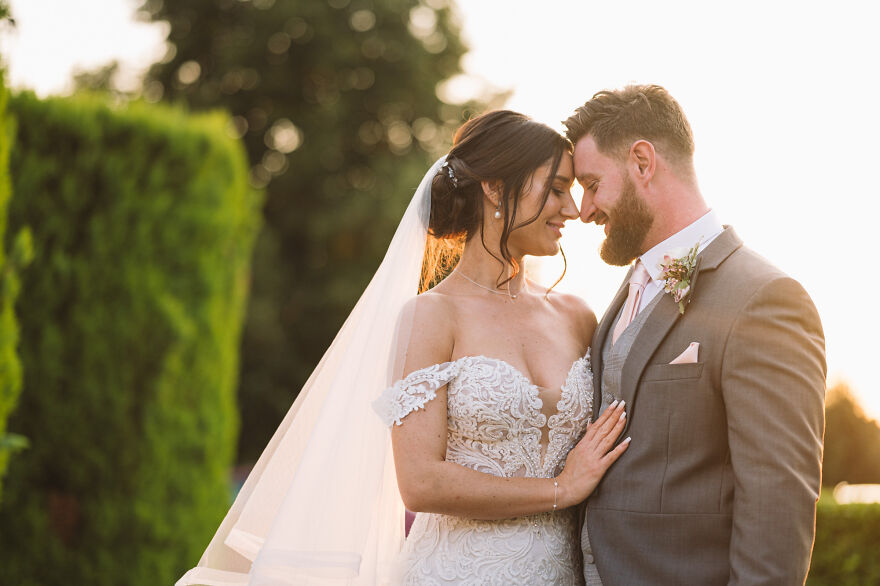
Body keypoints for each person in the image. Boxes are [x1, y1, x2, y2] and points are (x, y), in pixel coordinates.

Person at [177, 110, 628, 586]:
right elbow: (420, 483)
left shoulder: (578, 316)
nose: (573, 210)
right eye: (556, 189)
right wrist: (560, 489)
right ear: (495, 188)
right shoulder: (431, 317)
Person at [563, 85, 826, 585]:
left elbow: (777, 499)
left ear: (643, 162)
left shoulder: (764, 297)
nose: (584, 209)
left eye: (592, 184)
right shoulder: (626, 291)